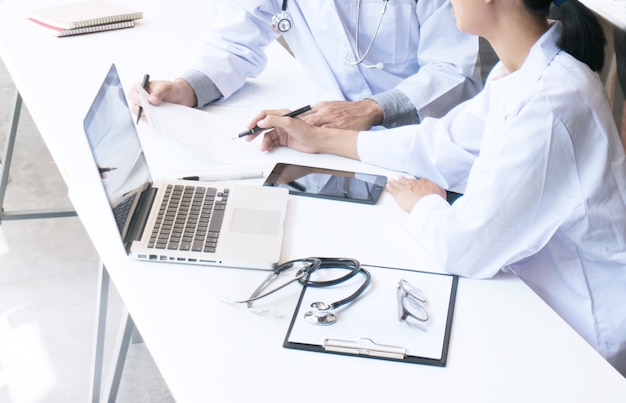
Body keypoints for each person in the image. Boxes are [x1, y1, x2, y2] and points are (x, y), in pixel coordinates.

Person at [246, 0, 626, 376]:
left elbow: (463, 248)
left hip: (581, 331)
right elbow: (441, 144)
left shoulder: (551, 101)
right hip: (534, 292)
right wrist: (317, 139)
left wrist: (426, 204)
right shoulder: (522, 73)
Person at [129, 0, 482, 131]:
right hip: (330, 130)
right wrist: (185, 88)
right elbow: (234, 41)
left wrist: (373, 109)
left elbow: (452, 69)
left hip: (428, 130)